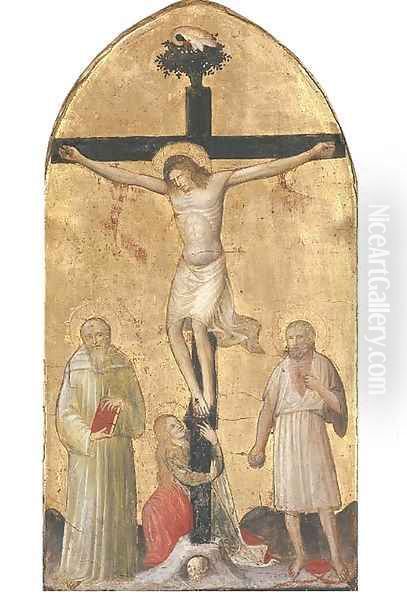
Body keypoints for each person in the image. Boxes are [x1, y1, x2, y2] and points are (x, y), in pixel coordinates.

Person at [59, 141, 335, 418]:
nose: (178, 184)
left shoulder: (217, 182)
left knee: (200, 325)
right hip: (187, 269)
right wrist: (82, 160)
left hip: (212, 268)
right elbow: (127, 177)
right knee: (173, 329)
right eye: (173, 181)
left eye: (181, 177)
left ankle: (209, 395)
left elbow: (264, 169)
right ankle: (195, 392)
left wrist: (310, 154)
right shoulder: (171, 191)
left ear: (191, 169)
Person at [248, 320, 349, 581]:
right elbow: (268, 409)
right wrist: (259, 445)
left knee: (324, 500)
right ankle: (300, 555)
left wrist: (319, 387)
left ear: (311, 338)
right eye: (290, 337)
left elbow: (339, 407)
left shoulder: (323, 365)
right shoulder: (281, 369)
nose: (293, 342)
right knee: (290, 503)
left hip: (314, 434)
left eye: (299, 337)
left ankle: (336, 557)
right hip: (287, 436)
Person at [56, 317, 146, 586]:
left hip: (118, 450)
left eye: (101, 334)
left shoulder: (122, 362)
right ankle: (82, 569)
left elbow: (138, 411)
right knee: (89, 505)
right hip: (87, 454)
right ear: (83, 339)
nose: (96, 341)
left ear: (109, 335)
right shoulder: (75, 365)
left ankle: (118, 569)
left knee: (117, 504)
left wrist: (123, 405)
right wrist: (87, 435)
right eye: (90, 336)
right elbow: (65, 412)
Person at [142, 415, 223, 568]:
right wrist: (209, 476)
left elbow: (214, 466)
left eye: (177, 422)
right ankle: (161, 555)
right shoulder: (170, 451)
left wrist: (214, 442)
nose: (178, 425)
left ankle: (167, 554)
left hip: (187, 491)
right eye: (172, 426)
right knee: (152, 509)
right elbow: (185, 476)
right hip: (173, 489)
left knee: (154, 509)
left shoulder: (194, 442)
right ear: (165, 433)